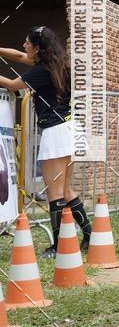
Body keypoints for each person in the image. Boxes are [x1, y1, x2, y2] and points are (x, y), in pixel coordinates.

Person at [0, 26, 92, 259]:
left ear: (38, 49)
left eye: (28, 43)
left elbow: (11, 85)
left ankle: (59, 245)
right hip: (68, 128)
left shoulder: (41, 71)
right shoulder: (57, 63)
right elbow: (20, 56)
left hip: (57, 132)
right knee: (66, 190)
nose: (24, 46)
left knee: (55, 193)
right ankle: (90, 235)